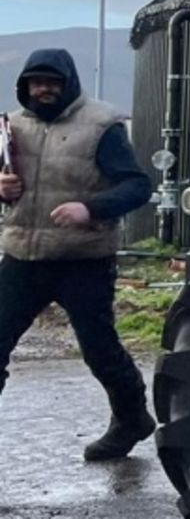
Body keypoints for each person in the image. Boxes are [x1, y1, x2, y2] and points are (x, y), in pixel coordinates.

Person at [0, 49, 157, 460]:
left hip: (82, 260)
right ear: (25, 85)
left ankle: (132, 419)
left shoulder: (101, 125)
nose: (44, 89)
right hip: (22, 257)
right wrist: (2, 188)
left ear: (68, 81)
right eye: (37, 82)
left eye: (52, 82)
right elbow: (5, 184)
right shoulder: (12, 127)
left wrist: (91, 208)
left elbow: (138, 186)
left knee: (99, 350)